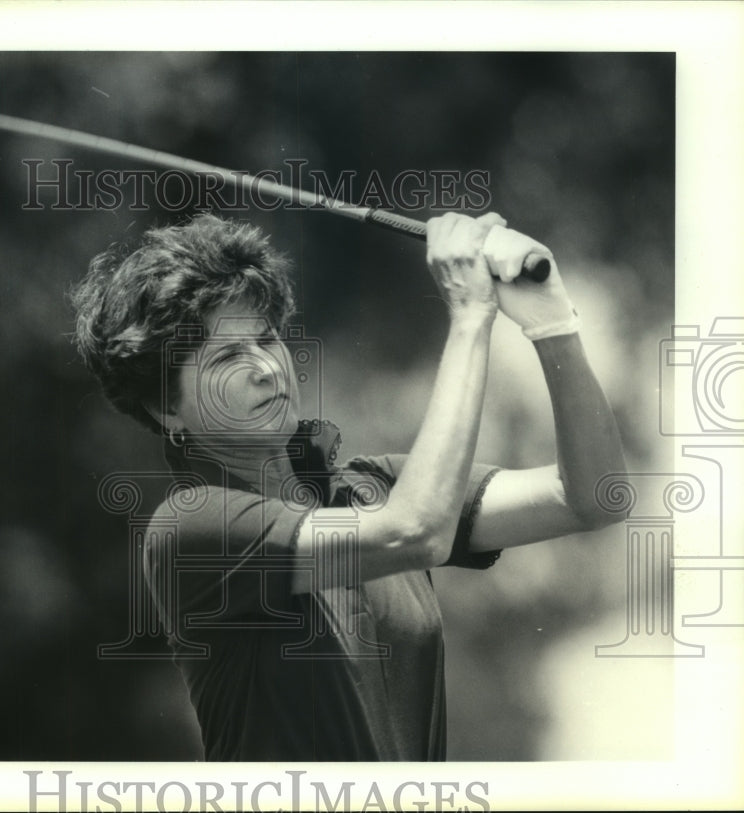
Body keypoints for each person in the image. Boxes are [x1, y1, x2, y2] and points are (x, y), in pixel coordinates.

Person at [69, 211, 626, 761]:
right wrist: (469, 318)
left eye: (266, 339)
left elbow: (593, 499)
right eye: (227, 356)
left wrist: (553, 327)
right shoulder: (191, 525)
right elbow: (416, 531)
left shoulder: (375, 485)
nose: (266, 367)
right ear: (166, 408)